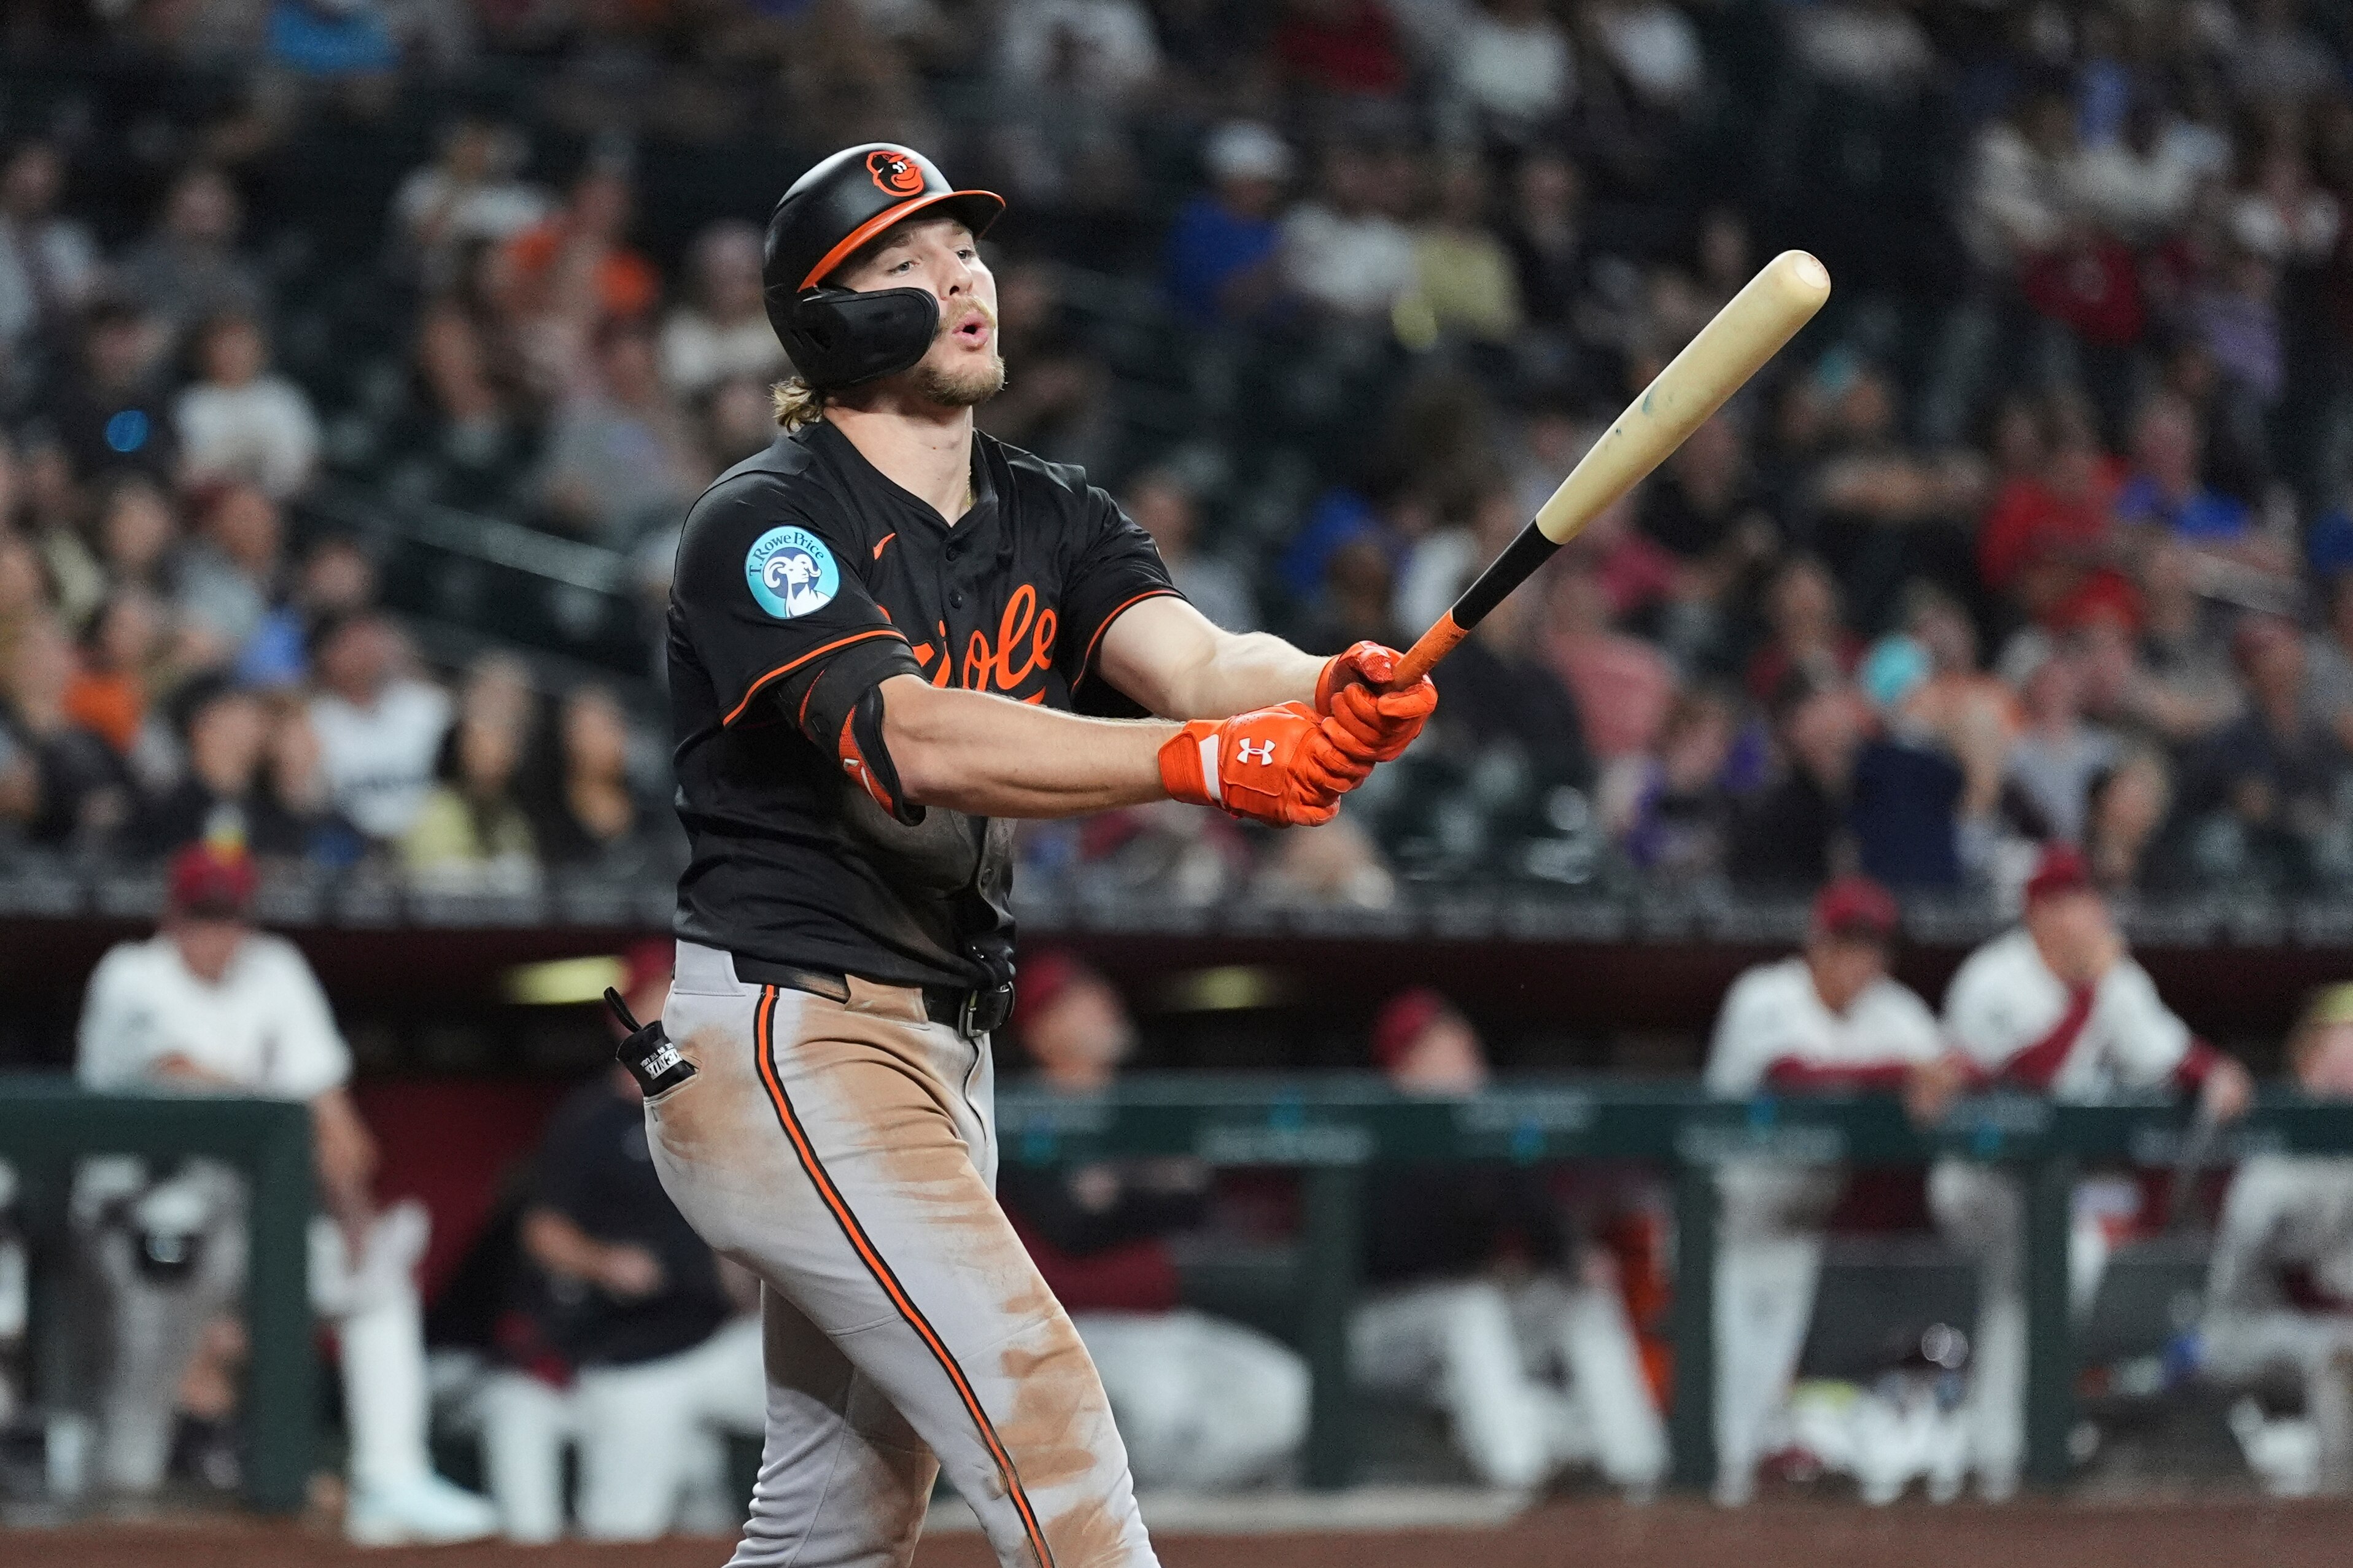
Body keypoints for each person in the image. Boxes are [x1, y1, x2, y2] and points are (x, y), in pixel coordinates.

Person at [646, 142, 1433, 1568]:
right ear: (827, 317)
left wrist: (1326, 686)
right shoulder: (767, 522)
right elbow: (911, 741)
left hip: (937, 1041)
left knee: (837, 1514)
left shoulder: (1047, 510)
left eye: (965, 250)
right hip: (789, 1028)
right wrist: (1199, 768)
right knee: (1047, 1423)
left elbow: (1195, 664)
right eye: (905, 260)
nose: (959, 277)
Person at [74, 843, 497, 1543]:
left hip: (250, 1218)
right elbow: (186, 1077)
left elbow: (331, 1110)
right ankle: (110, 1528)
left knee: (375, 1284)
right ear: (170, 916)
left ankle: (392, 1475)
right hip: (143, 1218)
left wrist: (355, 1208)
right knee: (138, 1406)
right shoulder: (131, 973)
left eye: (228, 914)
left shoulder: (275, 969)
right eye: (201, 914)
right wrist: (293, 1116)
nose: (215, 932)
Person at [1912, 843, 2255, 1499]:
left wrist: (2215, 1070)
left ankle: (2000, 1446)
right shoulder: (1992, 977)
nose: (2092, 913)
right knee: (2050, 1268)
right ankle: (2011, 1436)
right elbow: (2024, 1081)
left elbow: (2165, 1051)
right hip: (1977, 1175)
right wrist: (2090, 991)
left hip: (2045, 1185)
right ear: (2037, 911)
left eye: (2092, 899)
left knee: (2045, 1280)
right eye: (2072, 901)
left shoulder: (2113, 978)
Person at [475, 945, 763, 1541]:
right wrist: (605, 1262)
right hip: (635, 1359)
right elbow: (542, 1230)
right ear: (623, 1018)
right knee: (621, 1534)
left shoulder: (721, 1110)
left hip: (721, 1340)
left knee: (842, 1373)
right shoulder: (592, 1119)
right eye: (660, 1002)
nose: (676, 1017)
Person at [997, 952, 1307, 1491]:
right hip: (1080, 1330)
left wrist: (1117, 1193)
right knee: (1164, 1418)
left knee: (1288, 1392)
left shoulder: (1138, 1109)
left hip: (1163, 1323)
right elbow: (1071, 1228)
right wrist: (1149, 1189)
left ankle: (1172, 1522)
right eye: (1083, 1005)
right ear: (1043, 1029)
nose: (1106, 1011)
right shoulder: (1021, 1112)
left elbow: (1194, 1203)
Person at [1351, 989, 1667, 1496]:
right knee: (1468, 1304)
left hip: (1464, 1320)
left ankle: (1638, 1468)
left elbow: (1533, 1212)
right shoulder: (1371, 1131)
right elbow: (1391, 1251)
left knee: (1578, 1298)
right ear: (1406, 1066)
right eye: (1445, 1050)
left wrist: (1570, 1256)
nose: (1467, 1061)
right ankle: (1521, 1473)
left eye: (1465, 1047)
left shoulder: (1484, 1130)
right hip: (1373, 1329)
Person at [1701, 877, 1943, 1505]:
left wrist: (1936, 1076)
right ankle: (1683, 1524)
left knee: (1757, 1394)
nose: (1859, 962)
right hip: (1720, 1219)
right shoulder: (1764, 995)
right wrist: (1900, 1073)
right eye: (1846, 944)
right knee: (1717, 1390)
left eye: (1870, 948)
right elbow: (1794, 1077)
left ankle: (1728, 1523)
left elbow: (1948, 1068)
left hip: (1797, 1220)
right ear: (1816, 941)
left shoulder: (1891, 1009)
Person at [2201, 983, 2353, 1497]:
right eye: (2343, 1046)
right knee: (2338, 1355)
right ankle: (2331, 1508)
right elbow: (2285, 1272)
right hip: (2250, 1323)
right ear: (2309, 1060)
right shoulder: (2278, 1148)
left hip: (2326, 1324)